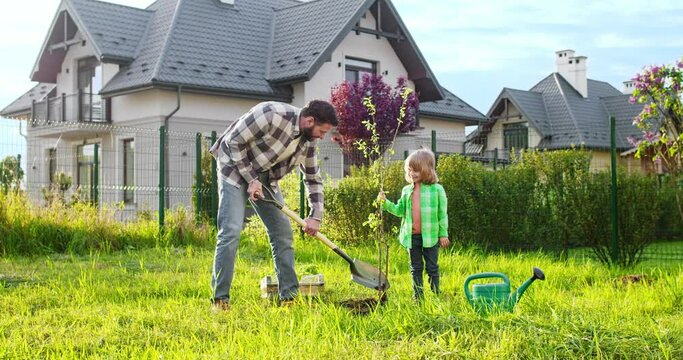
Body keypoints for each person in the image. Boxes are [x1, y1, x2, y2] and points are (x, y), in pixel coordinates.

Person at [209, 100, 338, 310]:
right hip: (233, 166)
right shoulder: (271, 113)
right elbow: (233, 142)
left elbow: (313, 179)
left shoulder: (309, 142)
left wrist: (316, 216)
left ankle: (289, 297)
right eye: (322, 131)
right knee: (231, 231)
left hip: (266, 177)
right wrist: (251, 179)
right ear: (309, 120)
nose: (322, 137)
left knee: (283, 233)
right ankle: (220, 300)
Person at [378, 149, 450, 300]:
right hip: (411, 237)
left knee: (432, 267)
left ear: (427, 169)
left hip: (431, 236)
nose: (412, 173)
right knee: (415, 268)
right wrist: (385, 203)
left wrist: (443, 234)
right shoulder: (406, 190)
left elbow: (442, 214)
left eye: (416, 170)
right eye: (410, 170)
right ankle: (418, 297)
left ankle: (436, 294)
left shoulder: (437, 190)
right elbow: (399, 211)